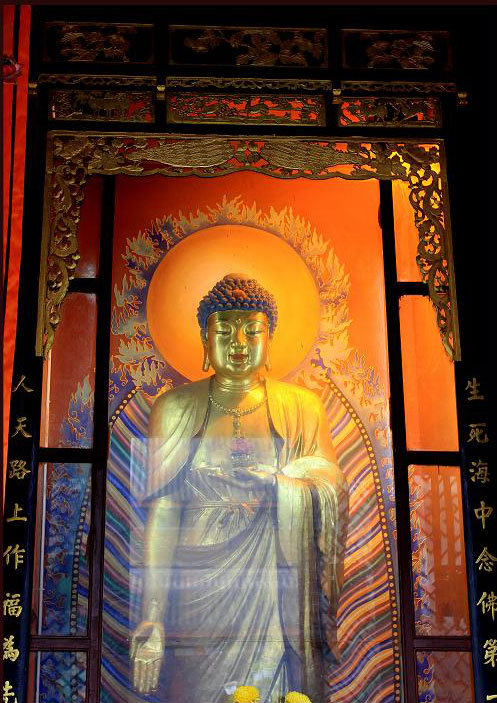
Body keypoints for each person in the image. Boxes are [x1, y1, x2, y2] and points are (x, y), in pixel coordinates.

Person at [130, 274, 348, 703]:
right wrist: (152, 616)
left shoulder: (302, 408)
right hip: (197, 589)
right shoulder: (174, 408)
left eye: (252, 330)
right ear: (204, 338)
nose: (239, 343)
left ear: (271, 338)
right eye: (224, 330)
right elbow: (164, 514)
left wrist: (277, 486)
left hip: (274, 585)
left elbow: (330, 489)